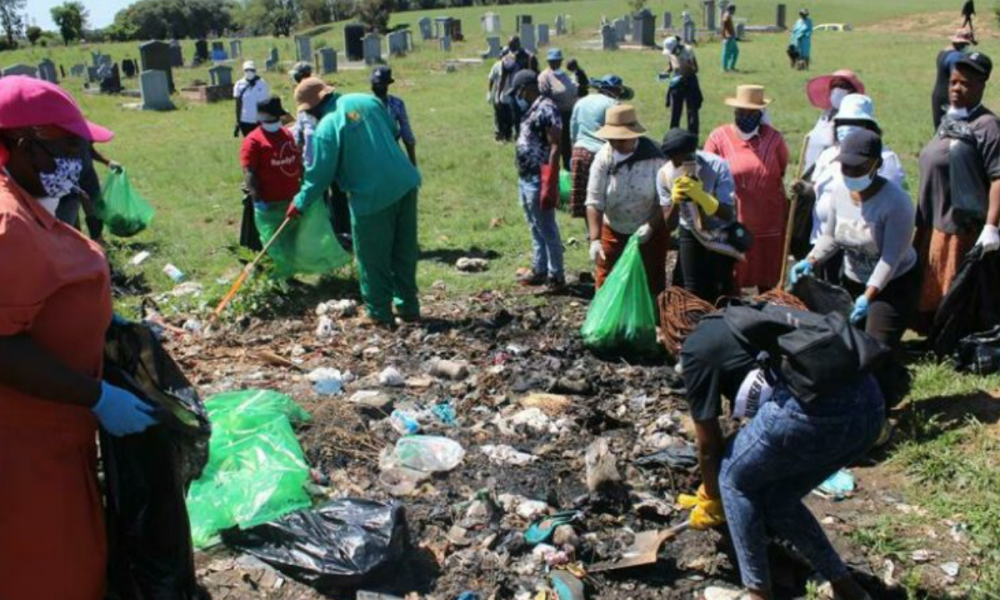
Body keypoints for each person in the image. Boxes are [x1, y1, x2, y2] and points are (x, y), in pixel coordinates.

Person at [0, 76, 158, 600]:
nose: (80, 162)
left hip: (54, 437)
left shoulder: (28, 203)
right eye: (71, 147)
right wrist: (96, 396)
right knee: (47, 568)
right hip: (23, 450)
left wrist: (99, 321)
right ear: (25, 146)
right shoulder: (8, 225)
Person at [680, 311, 882, 600]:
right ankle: (847, 588)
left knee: (734, 479)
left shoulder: (692, 348)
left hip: (814, 412)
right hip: (870, 407)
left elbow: (709, 447)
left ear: (676, 333)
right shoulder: (746, 317)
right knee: (778, 499)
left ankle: (758, 594)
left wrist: (712, 496)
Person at [288, 81, 422, 327]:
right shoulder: (368, 100)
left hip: (372, 195)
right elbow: (393, 130)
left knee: (373, 257)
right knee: (403, 250)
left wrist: (299, 203)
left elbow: (319, 176)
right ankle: (408, 308)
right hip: (405, 182)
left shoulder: (327, 127)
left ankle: (379, 313)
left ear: (312, 108)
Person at [792, 130, 918, 354]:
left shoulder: (896, 203)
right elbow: (831, 236)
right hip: (852, 280)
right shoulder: (840, 192)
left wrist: (868, 296)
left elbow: (891, 258)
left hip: (891, 284)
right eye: (845, 167)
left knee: (875, 350)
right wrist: (810, 260)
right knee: (846, 346)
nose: (850, 173)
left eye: (858, 168)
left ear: (876, 165)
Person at [915, 51, 1000, 331]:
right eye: (953, 82)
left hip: (959, 226)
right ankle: (933, 333)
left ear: (981, 87)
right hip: (933, 217)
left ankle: (950, 337)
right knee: (931, 282)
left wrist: (991, 226)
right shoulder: (951, 119)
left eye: (965, 83)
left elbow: (998, 177)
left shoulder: (987, 125)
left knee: (954, 287)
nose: (956, 89)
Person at [794, 94, 907, 267]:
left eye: (853, 123)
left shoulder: (885, 159)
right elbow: (820, 192)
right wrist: (806, 189)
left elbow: (888, 204)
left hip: (858, 249)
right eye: (842, 122)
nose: (845, 127)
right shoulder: (828, 155)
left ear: (868, 127)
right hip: (822, 240)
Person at [704, 85, 789, 291]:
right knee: (732, 279)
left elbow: (782, 170)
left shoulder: (774, 138)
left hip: (769, 221)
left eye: (752, 113)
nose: (745, 116)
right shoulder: (718, 138)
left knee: (768, 280)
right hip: (735, 221)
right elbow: (706, 175)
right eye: (741, 112)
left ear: (761, 114)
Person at [585, 105, 668, 297]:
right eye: (612, 139)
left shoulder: (656, 158)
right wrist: (595, 239)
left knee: (649, 281)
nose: (616, 144)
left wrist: (650, 226)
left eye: (622, 139)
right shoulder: (603, 158)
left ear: (634, 135)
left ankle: (650, 322)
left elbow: (666, 201)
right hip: (613, 228)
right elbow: (594, 200)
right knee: (607, 279)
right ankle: (607, 324)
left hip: (649, 230)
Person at [657, 128, 738, 302]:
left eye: (687, 161)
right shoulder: (664, 174)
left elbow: (728, 214)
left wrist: (703, 197)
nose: (682, 167)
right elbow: (669, 225)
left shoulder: (717, 166)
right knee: (692, 288)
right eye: (676, 163)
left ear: (694, 154)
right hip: (690, 231)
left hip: (719, 231)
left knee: (721, 287)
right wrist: (675, 201)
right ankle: (696, 325)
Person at [512, 70, 564, 292]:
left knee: (546, 226)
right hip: (525, 176)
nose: (518, 95)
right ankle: (540, 268)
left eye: (519, 90)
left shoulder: (546, 108)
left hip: (538, 176)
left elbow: (555, 145)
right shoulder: (531, 109)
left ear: (528, 87)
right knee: (534, 225)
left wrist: (549, 179)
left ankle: (556, 276)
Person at [569, 75, 633, 220]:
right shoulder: (613, 104)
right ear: (616, 90)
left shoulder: (581, 101)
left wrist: (574, 151)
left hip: (579, 153)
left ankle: (591, 235)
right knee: (604, 197)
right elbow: (620, 133)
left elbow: (572, 130)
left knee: (587, 199)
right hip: (601, 153)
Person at [241, 96, 302, 215]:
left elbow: (297, 161)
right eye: (273, 117)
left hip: (293, 199)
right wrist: (257, 199)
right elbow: (249, 172)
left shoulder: (287, 134)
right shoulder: (253, 141)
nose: (275, 120)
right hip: (270, 203)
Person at [802, 69, 865, 172]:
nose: (836, 90)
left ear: (851, 92)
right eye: (833, 87)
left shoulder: (852, 120)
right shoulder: (826, 115)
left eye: (842, 86)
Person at [538, 48, 578, 171]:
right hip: (555, 117)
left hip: (568, 115)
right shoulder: (545, 76)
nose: (555, 63)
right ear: (548, 61)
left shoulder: (563, 74)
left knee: (567, 147)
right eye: (552, 61)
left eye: (557, 60)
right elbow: (544, 97)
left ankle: (567, 173)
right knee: (554, 148)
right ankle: (551, 175)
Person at [371, 66, 417, 166]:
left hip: (370, 157)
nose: (378, 86)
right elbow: (408, 138)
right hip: (392, 155)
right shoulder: (397, 104)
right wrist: (413, 166)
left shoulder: (363, 105)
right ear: (387, 85)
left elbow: (408, 138)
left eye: (379, 84)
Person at [931, 29, 974, 130]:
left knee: (939, 130)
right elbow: (957, 78)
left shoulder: (943, 52)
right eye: (965, 44)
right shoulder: (956, 57)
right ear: (961, 43)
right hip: (950, 96)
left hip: (937, 95)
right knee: (954, 131)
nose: (966, 47)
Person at [662, 36, 703, 135]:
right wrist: (665, 73)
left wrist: (685, 72)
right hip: (677, 82)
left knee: (692, 111)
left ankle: (693, 137)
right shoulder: (670, 53)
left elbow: (695, 69)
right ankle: (673, 135)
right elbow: (671, 66)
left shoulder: (688, 50)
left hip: (690, 81)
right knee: (675, 111)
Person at [233, 60, 270, 137]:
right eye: (247, 70)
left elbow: (266, 102)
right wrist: (237, 121)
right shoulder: (239, 84)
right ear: (244, 71)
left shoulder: (262, 83)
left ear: (255, 70)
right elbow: (238, 104)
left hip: (259, 120)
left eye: (251, 70)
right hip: (245, 120)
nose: (249, 72)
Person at [488, 57, 514, 142]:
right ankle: (499, 136)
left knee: (509, 117)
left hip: (510, 95)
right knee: (499, 117)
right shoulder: (496, 65)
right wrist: (489, 92)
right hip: (499, 96)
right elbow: (491, 79)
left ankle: (508, 136)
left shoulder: (513, 65)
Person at [721, 5, 739, 72]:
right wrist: (724, 37)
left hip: (731, 37)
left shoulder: (728, 16)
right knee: (726, 53)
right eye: (734, 10)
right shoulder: (727, 16)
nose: (734, 12)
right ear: (731, 9)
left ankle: (731, 67)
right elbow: (724, 26)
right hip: (729, 37)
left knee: (735, 52)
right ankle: (725, 68)